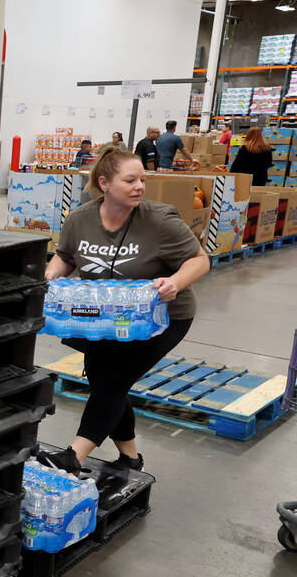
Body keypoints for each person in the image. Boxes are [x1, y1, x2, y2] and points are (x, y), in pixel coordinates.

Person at [40, 147, 210, 475]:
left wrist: (175, 281)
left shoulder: (160, 220)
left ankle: (73, 456)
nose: (139, 187)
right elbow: (66, 256)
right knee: (104, 378)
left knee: (114, 380)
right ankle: (130, 457)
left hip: (160, 317)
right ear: (104, 183)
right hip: (104, 315)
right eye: (130, 180)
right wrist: (50, 276)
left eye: (143, 180)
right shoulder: (80, 219)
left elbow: (200, 259)